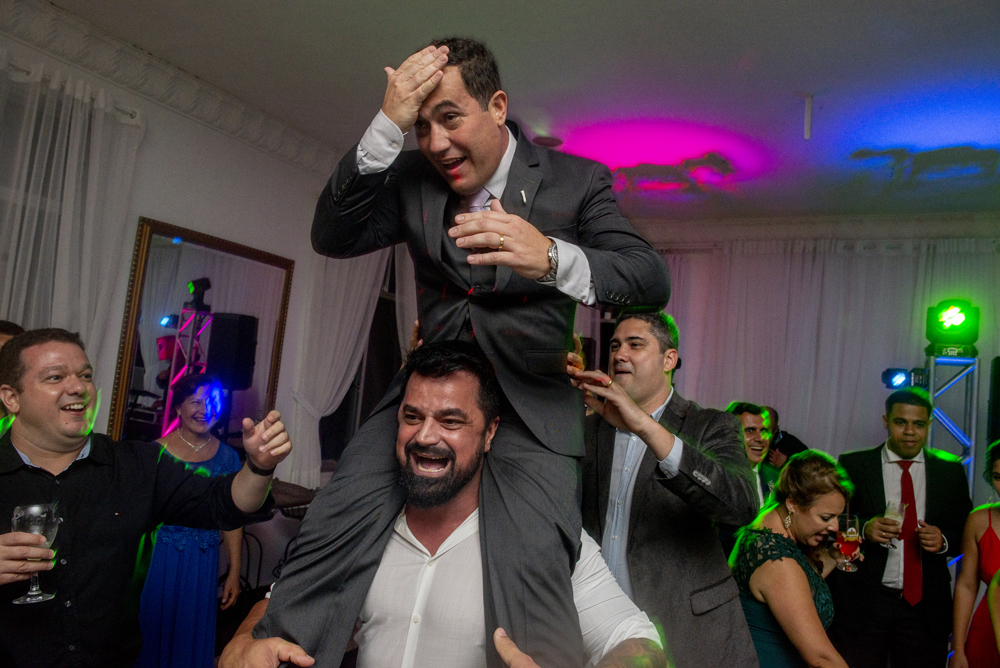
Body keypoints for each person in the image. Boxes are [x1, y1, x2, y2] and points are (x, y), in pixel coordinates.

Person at [261, 37, 671, 668]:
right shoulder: (412, 178)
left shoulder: (575, 182)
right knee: (335, 515)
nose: (436, 143)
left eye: (449, 118)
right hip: (433, 394)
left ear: (497, 106)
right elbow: (331, 235)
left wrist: (551, 257)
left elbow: (648, 278)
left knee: (532, 564)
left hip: (534, 410)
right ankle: (276, 654)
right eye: (421, 126)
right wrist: (386, 125)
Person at [224, 342, 666, 668]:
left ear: (490, 433)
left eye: (451, 421)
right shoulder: (365, 522)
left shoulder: (538, 532)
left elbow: (637, 641)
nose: (425, 437)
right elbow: (288, 594)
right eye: (412, 417)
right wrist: (243, 640)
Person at [0, 329, 290, 668]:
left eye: (85, 376)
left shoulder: (138, 465)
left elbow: (224, 502)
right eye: (55, 377)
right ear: (11, 398)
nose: (78, 387)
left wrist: (258, 465)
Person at [572, 310, 759, 667]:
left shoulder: (711, 425)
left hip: (688, 630)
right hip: (604, 630)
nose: (619, 354)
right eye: (614, 345)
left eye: (635, 345)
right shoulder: (591, 428)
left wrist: (644, 426)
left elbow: (741, 506)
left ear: (668, 359)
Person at [827, 388, 972, 668]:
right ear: (886, 421)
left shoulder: (949, 472)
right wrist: (865, 528)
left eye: (918, 424)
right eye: (900, 422)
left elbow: (964, 531)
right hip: (865, 601)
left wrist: (942, 540)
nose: (909, 431)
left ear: (929, 425)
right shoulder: (854, 464)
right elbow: (829, 521)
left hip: (925, 606)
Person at [135, 374, 244, 668]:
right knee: (151, 634)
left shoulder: (229, 458)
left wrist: (234, 571)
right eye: (195, 401)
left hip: (203, 561)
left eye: (211, 401)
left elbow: (232, 520)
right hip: (159, 560)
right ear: (179, 408)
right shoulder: (154, 453)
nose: (204, 408)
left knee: (191, 636)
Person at [730, 450, 855, 667]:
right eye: (826, 517)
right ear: (793, 504)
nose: (835, 526)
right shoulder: (777, 561)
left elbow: (797, 588)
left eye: (837, 517)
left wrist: (833, 557)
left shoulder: (769, 530)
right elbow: (821, 658)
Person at [949, 439, 1000, 668]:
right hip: (987, 630)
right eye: (998, 478)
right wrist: (958, 649)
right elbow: (967, 586)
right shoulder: (979, 520)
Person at [727, 402, 780, 507]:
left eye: (764, 431)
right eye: (750, 430)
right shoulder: (715, 475)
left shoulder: (777, 479)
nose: (760, 438)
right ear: (729, 434)